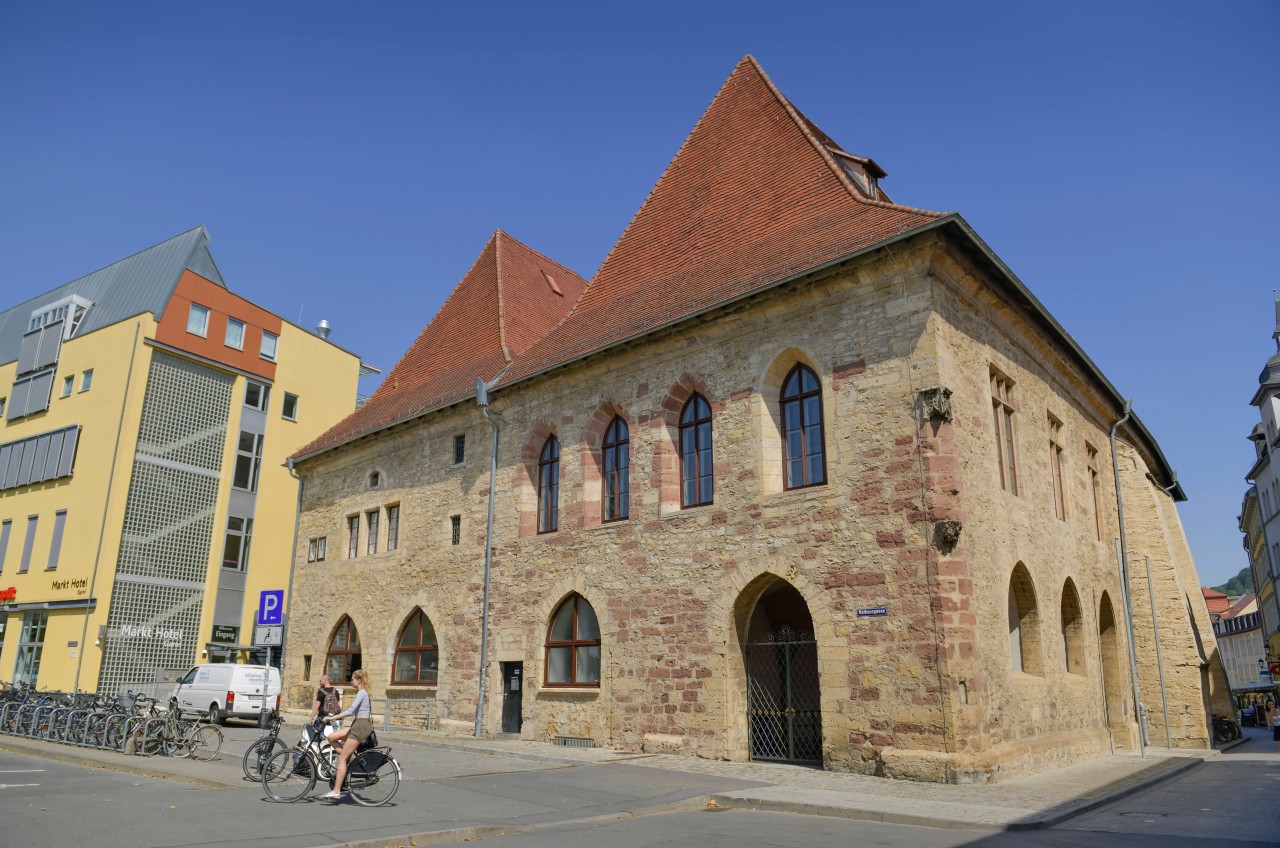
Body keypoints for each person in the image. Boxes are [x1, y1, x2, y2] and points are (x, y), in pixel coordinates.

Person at [323, 668, 373, 800]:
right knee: (331, 737)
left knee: (341, 759)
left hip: (361, 726)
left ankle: (336, 791)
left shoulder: (362, 693)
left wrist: (332, 718)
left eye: (352, 679)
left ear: (359, 680)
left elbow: (351, 711)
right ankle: (346, 759)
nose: (351, 681)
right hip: (357, 724)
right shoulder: (361, 692)